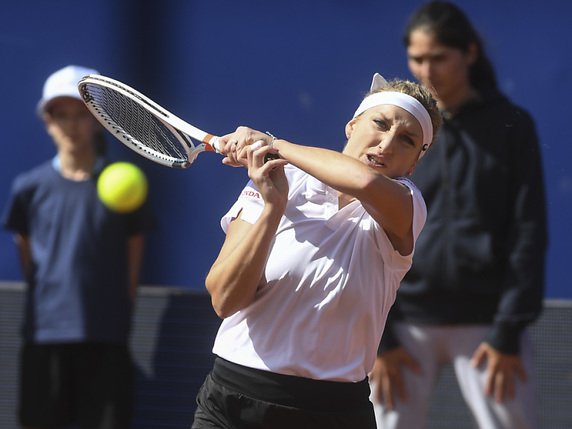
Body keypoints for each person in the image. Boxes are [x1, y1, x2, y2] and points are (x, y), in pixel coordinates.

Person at [190, 73, 442, 429]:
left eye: (406, 140)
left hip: (332, 413)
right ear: (351, 126)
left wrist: (274, 144)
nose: (386, 144)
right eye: (379, 124)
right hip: (230, 402)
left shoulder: (407, 204)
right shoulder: (279, 180)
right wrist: (272, 208)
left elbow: (364, 181)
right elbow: (224, 300)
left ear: (414, 163)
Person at [369, 2, 548, 429]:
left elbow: (529, 230)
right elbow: (368, 221)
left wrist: (507, 332)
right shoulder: (401, 129)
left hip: (488, 326)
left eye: (438, 57)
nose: (427, 69)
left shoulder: (512, 125)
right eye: (417, 59)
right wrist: (380, 335)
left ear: (468, 53)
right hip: (404, 323)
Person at [2, 65, 155, 429]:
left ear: (99, 119)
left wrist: (118, 309)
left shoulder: (127, 185)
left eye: (81, 113)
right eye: (61, 114)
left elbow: (133, 255)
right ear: (47, 121)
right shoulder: (29, 187)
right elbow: (26, 252)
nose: (71, 124)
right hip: (44, 336)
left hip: (107, 336)